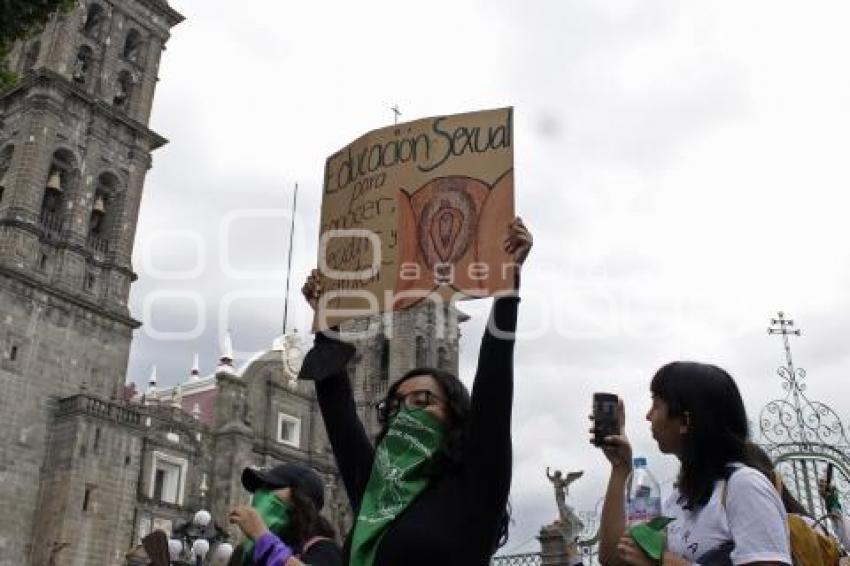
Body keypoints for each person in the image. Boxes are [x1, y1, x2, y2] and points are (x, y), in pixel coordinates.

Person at [298, 217, 532, 566]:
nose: (406, 410)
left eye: (423, 400)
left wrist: (507, 285)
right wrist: (326, 320)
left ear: (454, 415)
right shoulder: (375, 489)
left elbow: (494, 381)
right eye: (396, 405)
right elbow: (340, 412)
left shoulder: (475, 487)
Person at [591, 362, 791, 566]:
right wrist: (621, 466)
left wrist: (665, 562)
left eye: (657, 404)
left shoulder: (744, 486)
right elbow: (613, 559)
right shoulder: (679, 498)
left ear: (685, 421)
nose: (648, 416)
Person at [228, 462, 342, 566]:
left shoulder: (325, 549)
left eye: (271, 487)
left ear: (300, 501)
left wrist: (262, 537)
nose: (261, 493)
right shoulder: (244, 552)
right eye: (260, 488)